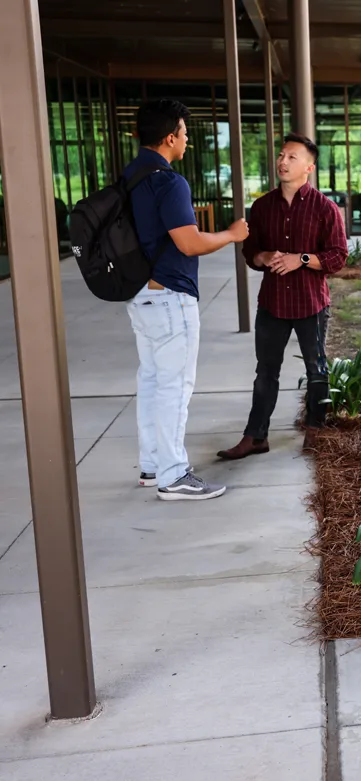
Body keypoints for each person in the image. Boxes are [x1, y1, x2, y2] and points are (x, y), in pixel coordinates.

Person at [125, 98, 249, 500]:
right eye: (183, 133)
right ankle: (173, 475)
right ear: (169, 137)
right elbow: (189, 242)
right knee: (174, 388)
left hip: (142, 295)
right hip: (170, 298)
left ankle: (152, 465)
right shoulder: (168, 181)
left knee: (151, 382)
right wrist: (232, 234)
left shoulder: (130, 176)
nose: (186, 141)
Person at [217, 134, 347, 461]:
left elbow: (337, 256)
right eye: (282, 156)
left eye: (292, 157)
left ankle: (315, 430)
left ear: (309, 167)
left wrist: (300, 259)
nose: (283, 161)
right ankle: (255, 436)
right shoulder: (262, 207)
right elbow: (251, 251)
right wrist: (262, 257)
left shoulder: (325, 209)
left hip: (310, 304)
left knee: (317, 370)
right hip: (272, 304)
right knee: (265, 372)